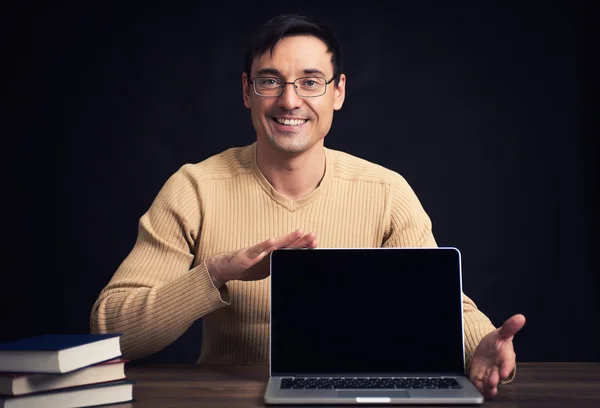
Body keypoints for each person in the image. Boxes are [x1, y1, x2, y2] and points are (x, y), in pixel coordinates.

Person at [90, 13, 526, 399]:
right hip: (227, 398)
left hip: (359, 396)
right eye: (270, 80)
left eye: (310, 82)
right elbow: (111, 331)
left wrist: (482, 342)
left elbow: (444, 303)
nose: (289, 100)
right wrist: (217, 273)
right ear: (247, 91)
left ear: (338, 92)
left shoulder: (385, 190)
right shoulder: (194, 187)